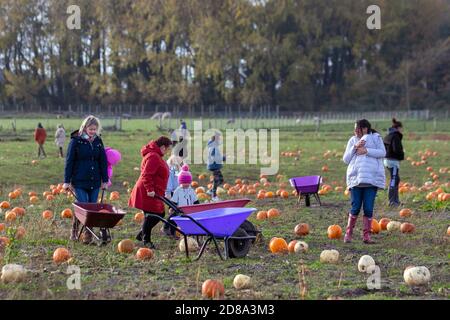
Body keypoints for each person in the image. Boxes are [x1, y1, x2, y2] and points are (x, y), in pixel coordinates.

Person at [63, 116, 109, 244]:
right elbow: (69, 161)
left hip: (94, 181)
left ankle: (88, 234)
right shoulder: (76, 141)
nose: (93, 131)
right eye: (91, 129)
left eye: (95, 129)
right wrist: (67, 181)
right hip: (79, 180)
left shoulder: (98, 141)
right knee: (83, 207)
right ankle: (75, 230)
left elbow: (103, 161)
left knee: (92, 209)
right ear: (85, 127)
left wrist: (105, 180)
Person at [342, 119, 386, 244]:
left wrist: (367, 151)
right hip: (356, 179)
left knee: (368, 208)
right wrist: (354, 148)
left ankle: (366, 236)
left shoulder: (376, 138)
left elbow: (383, 152)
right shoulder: (352, 140)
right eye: (355, 128)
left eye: (358, 128)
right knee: (355, 206)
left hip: (371, 180)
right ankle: (348, 233)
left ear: (365, 129)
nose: (355, 131)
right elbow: (346, 159)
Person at [129, 136, 173, 249]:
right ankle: (146, 240)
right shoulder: (153, 156)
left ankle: (142, 233)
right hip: (147, 192)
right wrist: (150, 190)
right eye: (167, 149)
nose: (167, 152)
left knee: (159, 214)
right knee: (153, 215)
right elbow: (146, 174)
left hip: (154, 191)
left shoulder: (155, 155)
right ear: (163, 147)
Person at [164, 164, 199, 237]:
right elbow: (174, 201)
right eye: (183, 183)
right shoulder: (177, 190)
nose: (185, 185)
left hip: (190, 210)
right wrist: (171, 208)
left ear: (189, 182)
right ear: (180, 182)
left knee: (190, 222)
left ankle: (189, 232)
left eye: (187, 183)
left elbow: (196, 200)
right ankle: (169, 230)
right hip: (179, 210)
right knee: (172, 219)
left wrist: (197, 206)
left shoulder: (191, 190)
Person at [383, 118, 405, 207]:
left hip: (388, 160)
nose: (402, 130)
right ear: (398, 128)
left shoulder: (389, 135)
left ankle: (396, 200)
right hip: (392, 161)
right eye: (401, 128)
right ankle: (392, 201)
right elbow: (396, 149)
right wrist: (401, 154)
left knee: (396, 179)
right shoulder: (395, 136)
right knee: (394, 180)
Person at [206, 132, 226, 202]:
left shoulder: (214, 146)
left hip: (215, 165)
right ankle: (213, 196)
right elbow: (214, 157)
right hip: (214, 166)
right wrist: (223, 158)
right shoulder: (213, 147)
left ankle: (211, 191)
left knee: (221, 180)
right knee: (216, 180)